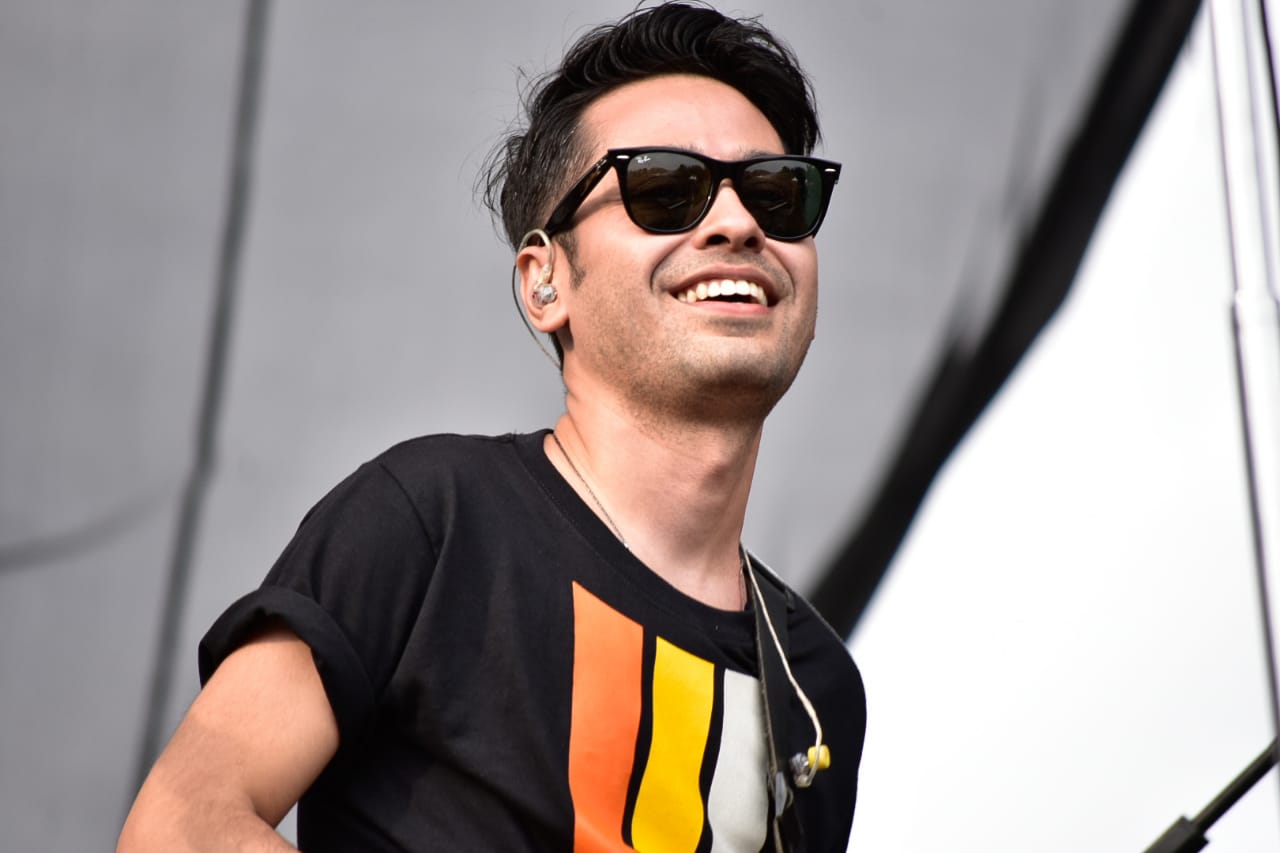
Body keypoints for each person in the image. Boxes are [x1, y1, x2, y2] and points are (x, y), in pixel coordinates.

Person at [118, 3, 866, 850]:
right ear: (545, 282)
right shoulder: (431, 521)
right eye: (666, 189)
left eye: (776, 193)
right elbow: (180, 825)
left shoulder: (816, 687)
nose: (737, 224)